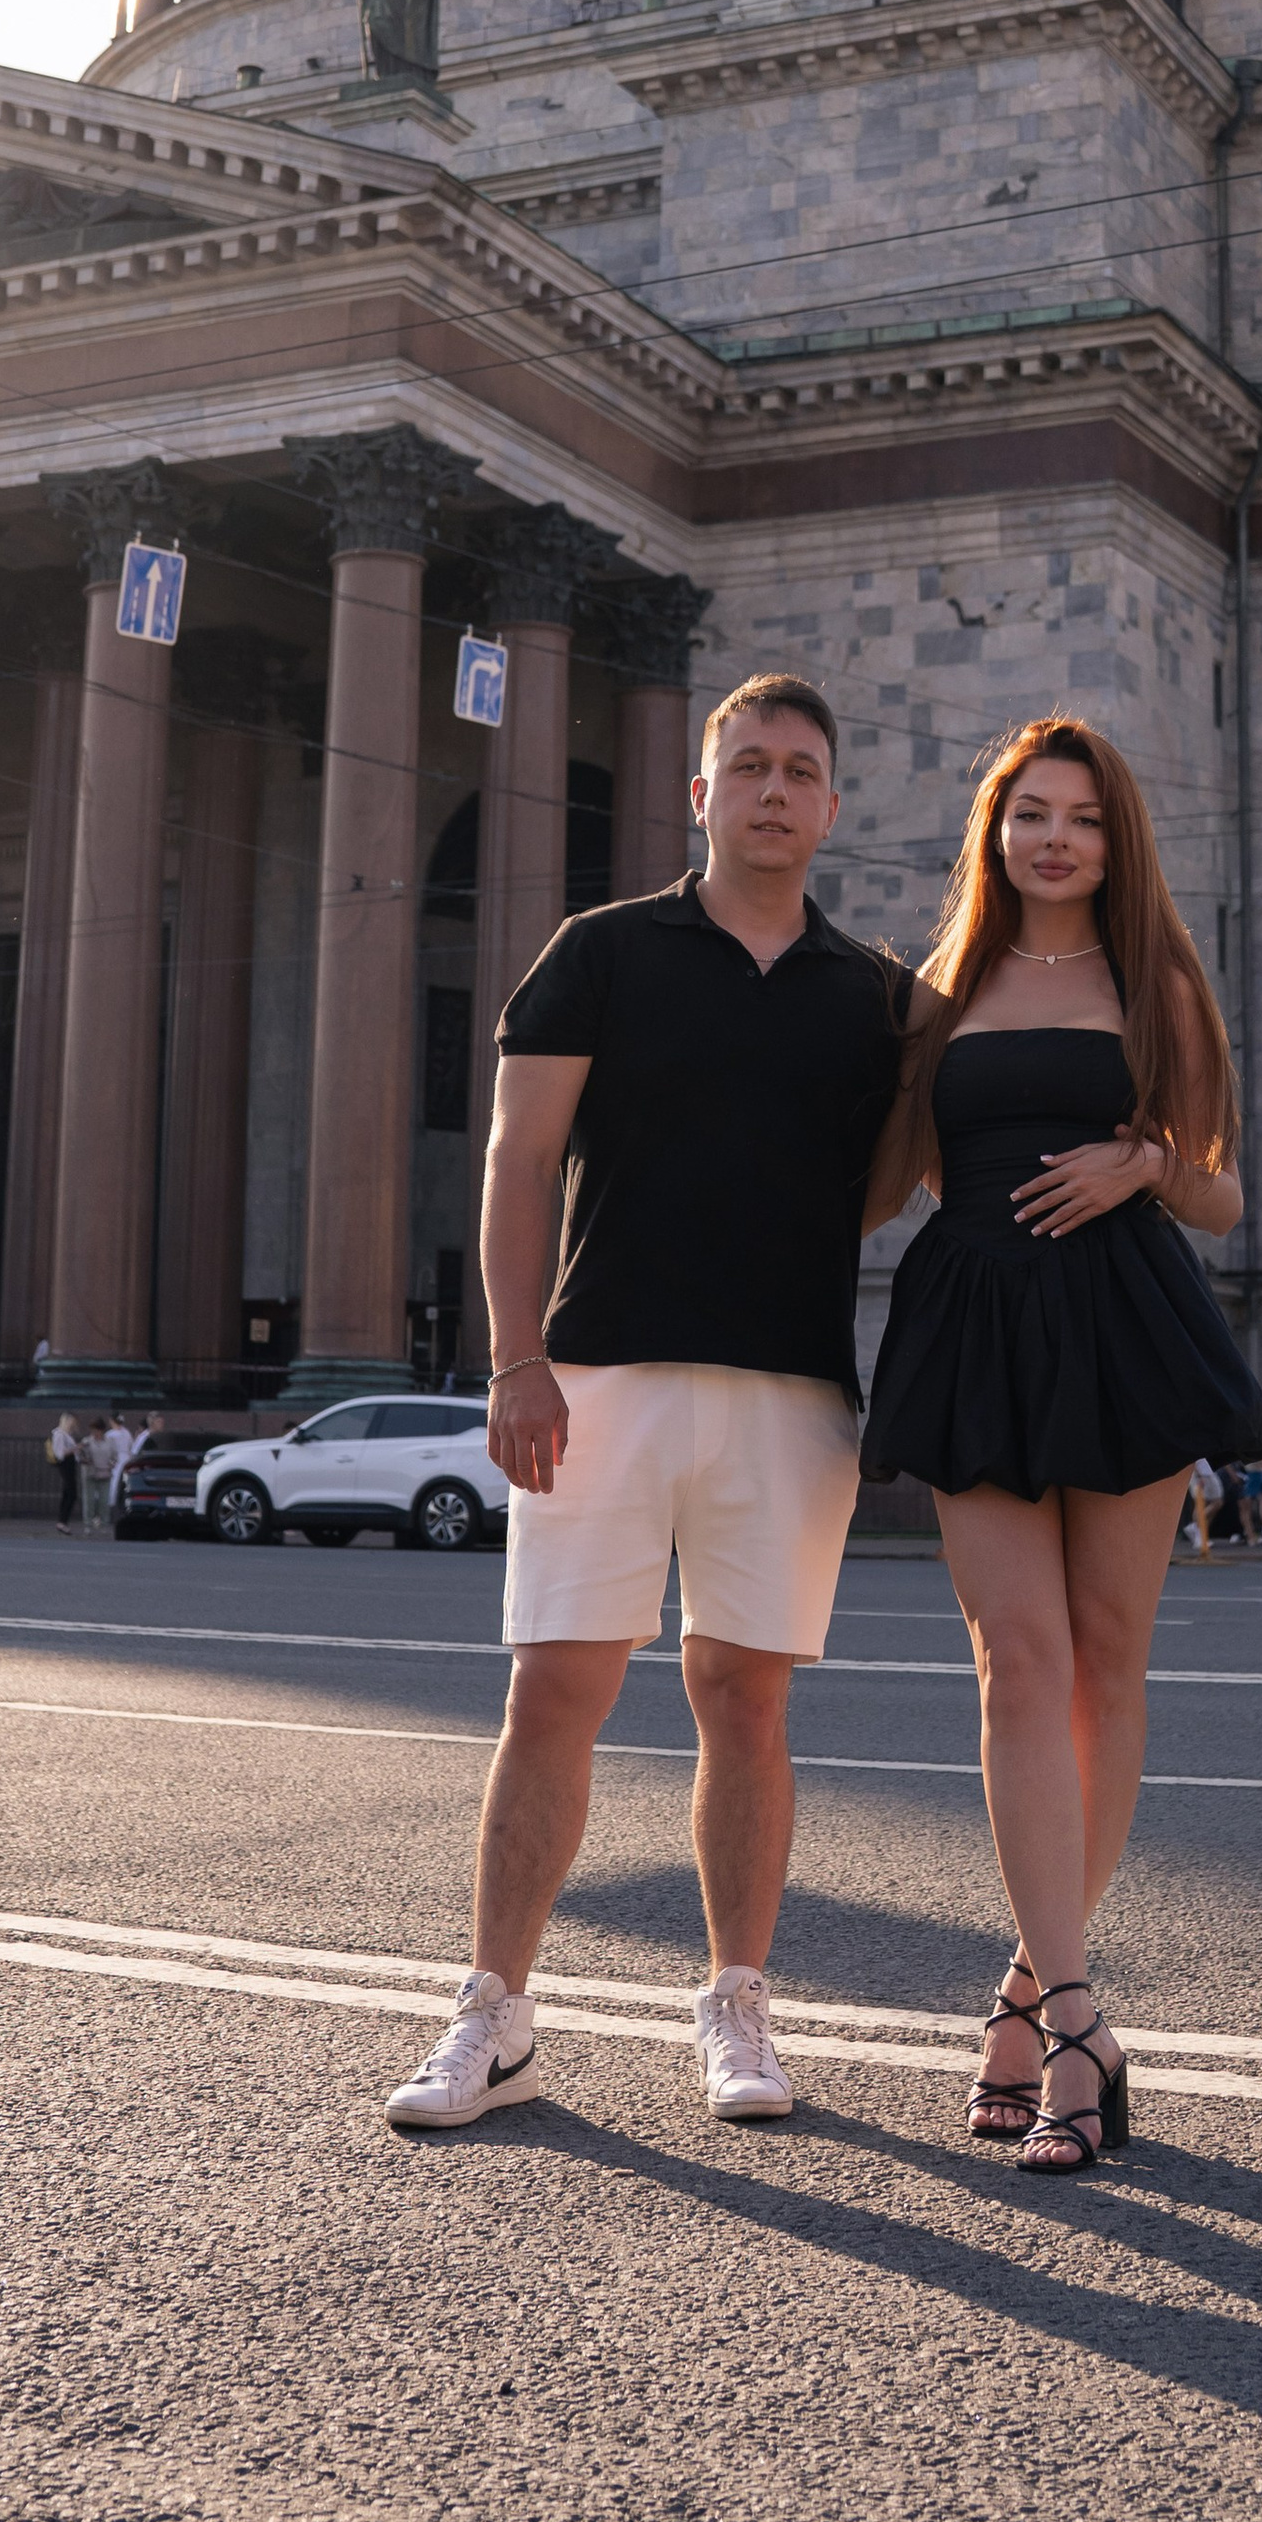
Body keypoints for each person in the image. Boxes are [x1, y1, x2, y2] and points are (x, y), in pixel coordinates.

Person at [383, 674, 908, 2142]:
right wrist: (513, 1355)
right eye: (747, 766)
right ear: (701, 794)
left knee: (746, 1697)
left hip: (794, 1393)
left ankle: (737, 2000)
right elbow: (516, 1160)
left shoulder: (875, 995)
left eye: (802, 770)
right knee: (555, 1688)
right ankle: (492, 2013)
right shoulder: (599, 954)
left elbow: (930, 1150)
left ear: (832, 806)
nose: (774, 791)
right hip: (599, 1376)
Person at [857, 713, 1262, 2174]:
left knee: (1107, 1655)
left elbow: (1227, 1197)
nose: (1054, 838)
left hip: (1120, 1319)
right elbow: (872, 1187)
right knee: (1013, 1657)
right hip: (972, 1318)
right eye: (1029, 812)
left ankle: (1029, 1999)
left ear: (1116, 837)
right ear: (993, 829)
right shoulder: (935, 992)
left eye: (1082, 818)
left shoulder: (1157, 975)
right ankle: (1082, 2012)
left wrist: (1150, 1162)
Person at [47, 1411, 83, 1536]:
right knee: (71, 1493)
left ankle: (63, 1521)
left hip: (70, 1465)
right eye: (71, 1422)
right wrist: (75, 1448)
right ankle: (62, 1521)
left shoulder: (66, 1435)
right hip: (65, 1465)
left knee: (68, 1492)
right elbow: (60, 1454)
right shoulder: (59, 1434)